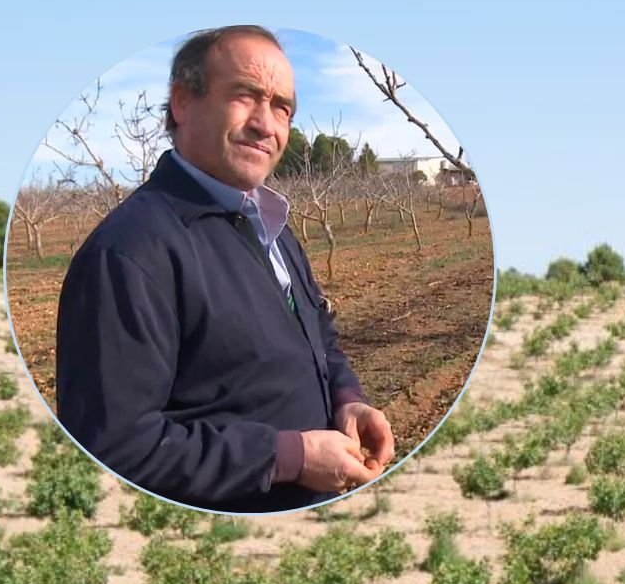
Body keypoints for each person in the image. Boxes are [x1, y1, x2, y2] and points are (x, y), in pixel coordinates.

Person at [54, 25, 394, 513]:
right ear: (182, 103)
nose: (267, 124)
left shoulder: (268, 222)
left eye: (282, 108)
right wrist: (290, 457)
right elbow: (114, 449)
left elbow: (316, 329)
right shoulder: (130, 253)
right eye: (245, 96)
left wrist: (346, 399)